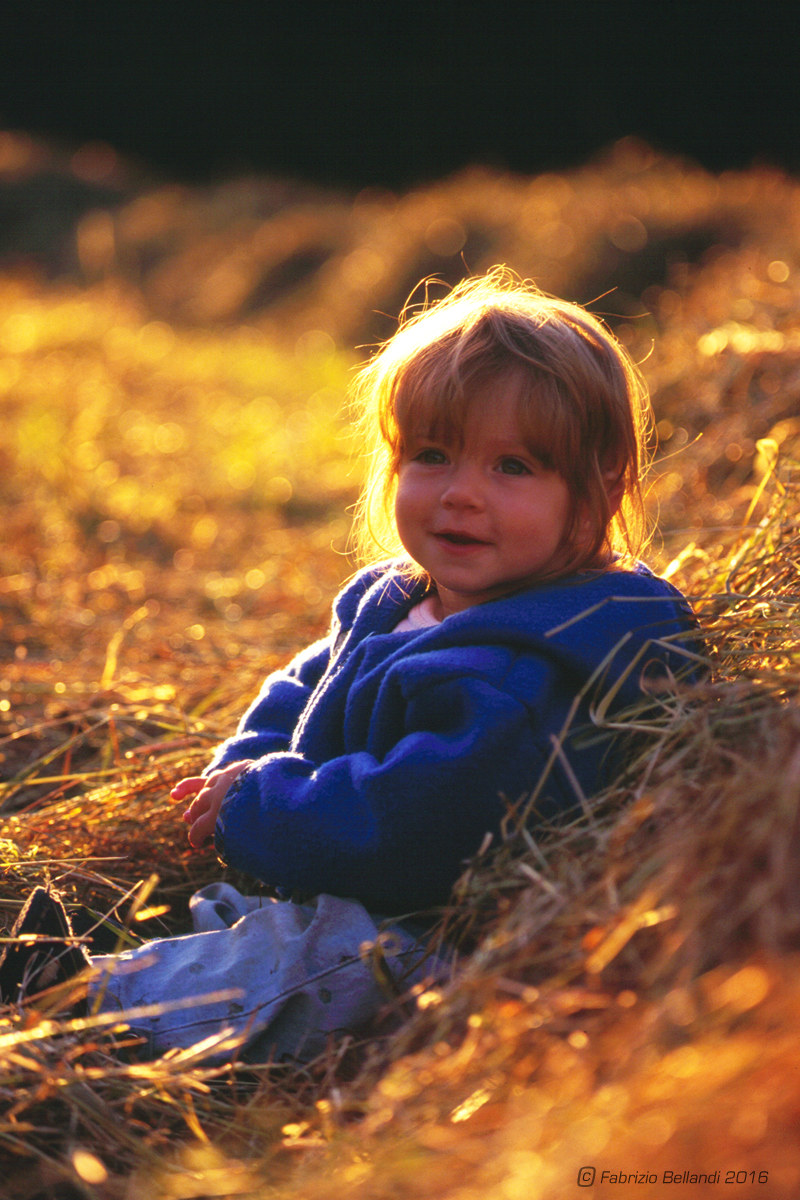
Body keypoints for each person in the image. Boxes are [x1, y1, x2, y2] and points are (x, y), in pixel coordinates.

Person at [0, 268, 699, 1061]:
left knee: (308, 963)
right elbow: (306, 685)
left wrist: (261, 807)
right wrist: (244, 770)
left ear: (597, 491)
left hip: (431, 930)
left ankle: (89, 1005)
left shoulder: (525, 670)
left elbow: (411, 824)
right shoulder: (398, 596)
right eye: (432, 455)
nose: (461, 494)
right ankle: (134, 960)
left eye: (511, 467)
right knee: (248, 922)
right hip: (332, 865)